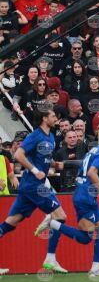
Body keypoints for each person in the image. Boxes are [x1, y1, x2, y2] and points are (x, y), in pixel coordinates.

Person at [34, 126, 99, 277]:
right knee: (85, 238)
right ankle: (53, 223)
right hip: (85, 197)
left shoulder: (94, 150)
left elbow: (85, 170)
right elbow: (91, 172)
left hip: (86, 194)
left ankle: (96, 268)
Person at [0, 110, 69, 273]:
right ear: (44, 118)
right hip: (34, 185)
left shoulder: (51, 137)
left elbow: (44, 158)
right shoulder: (35, 135)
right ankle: (50, 259)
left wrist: (54, 164)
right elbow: (18, 154)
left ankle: (49, 225)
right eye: (53, 116)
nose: (56, 118)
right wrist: (35, 170)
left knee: (11, 223)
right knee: (60, 216)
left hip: (29, 187)